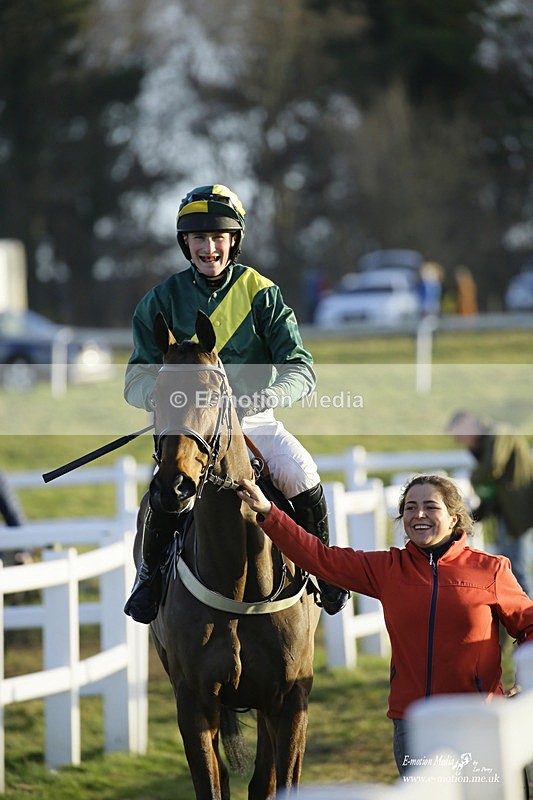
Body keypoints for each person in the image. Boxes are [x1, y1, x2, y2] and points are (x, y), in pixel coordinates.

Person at [123, 183, 349, 623]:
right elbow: (135, 377)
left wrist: (268, 395)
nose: (210, 248)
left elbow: (301, 367)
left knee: (301, 473)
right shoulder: (159, 301)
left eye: (218, 238)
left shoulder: (263, 292)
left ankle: (327, 572)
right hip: (190, 425)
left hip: (254, 419)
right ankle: (148, 579)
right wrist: (162, 396)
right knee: (165, 491)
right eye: (199, 239)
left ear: (234, 241)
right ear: (185, 243)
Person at [236, 472, 533, 775]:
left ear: (454, 518)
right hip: (413, 724)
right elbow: (320, 558)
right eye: (410, 507)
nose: (419, 514)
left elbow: (529, 626)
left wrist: (525, 680)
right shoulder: (388, 569)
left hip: (479, 720)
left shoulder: (491, 570)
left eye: (431, 506)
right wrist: (270, 514)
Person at [447, 410, 533, 596]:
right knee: (513, 569)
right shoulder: (489, 439)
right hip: (511, 513)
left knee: (515, 571)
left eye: (459, 436)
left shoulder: (498, 433)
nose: (461, 442)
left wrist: (473, 479)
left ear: (469, 423)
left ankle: (527, 621)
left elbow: (492, 467)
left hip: (518, 514)